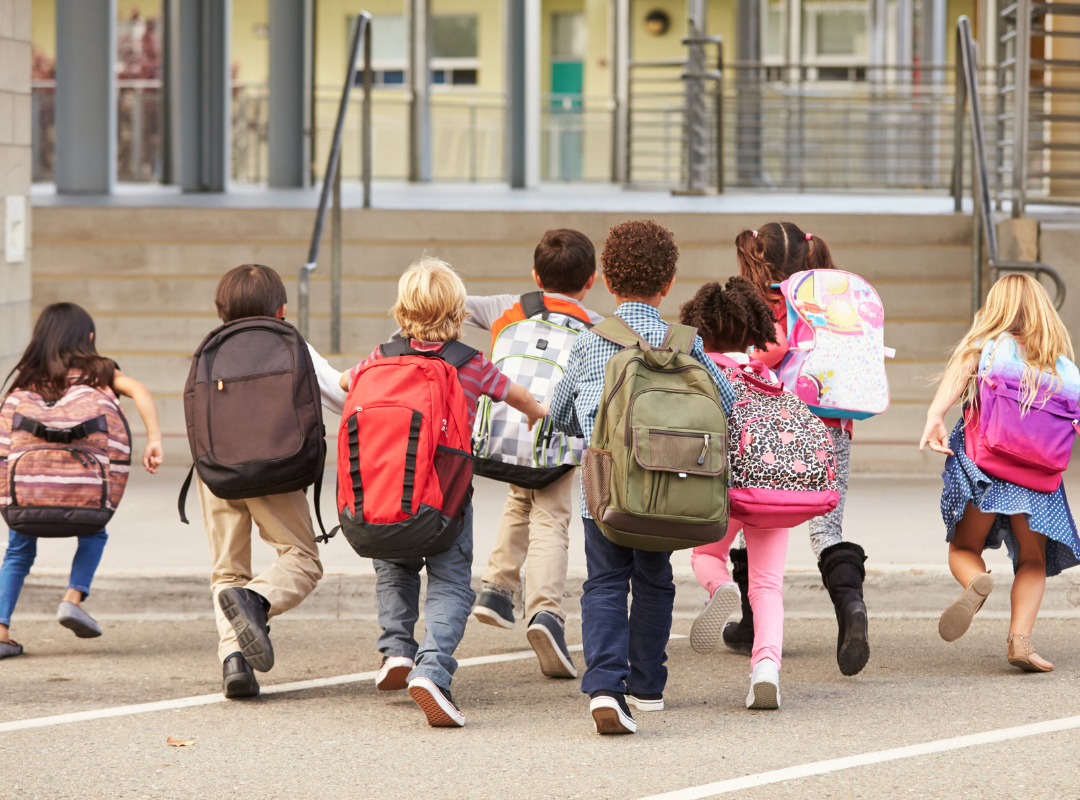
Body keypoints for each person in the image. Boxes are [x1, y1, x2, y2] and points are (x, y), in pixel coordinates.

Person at [341, 256, 548, 728]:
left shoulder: (380, 357)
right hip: (445, 503)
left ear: (401, 310)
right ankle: (432, 669)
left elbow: (344, 382)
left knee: (394, 569)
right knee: (451, 581)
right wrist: (537, 410)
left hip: (386, 497)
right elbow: (514, 394)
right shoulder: (469, 364)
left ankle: (396, 649)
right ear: (457, 313)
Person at [550, 220, 736, 734]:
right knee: (654, 581)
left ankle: (606, 686)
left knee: (605, 582)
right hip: (669, 488)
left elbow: (562, 412)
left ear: (607, 280)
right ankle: (648, 685)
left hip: (605, 491)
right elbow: (729, 404)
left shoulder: (592, 343)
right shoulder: (686, 344)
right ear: (668, 282)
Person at [727, 222, 870, 677]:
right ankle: (851, 607)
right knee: (827, 529)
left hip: (775, 426)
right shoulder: (830, 304)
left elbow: (757, 357)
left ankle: (753, 622)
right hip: (831, 427)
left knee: (757, 515)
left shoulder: (759, 308)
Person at [197, 264, 346, 699]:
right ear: (281, 308)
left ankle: (234, 662)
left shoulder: (212, 348)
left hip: (216, 471)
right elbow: (341, 397)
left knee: (227, 571)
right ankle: (257, 601)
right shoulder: (289, 343)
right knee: (301, 558)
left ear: (221, 309)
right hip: (275, 470)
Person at [920, 273, 1080, 672]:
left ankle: (976, 581)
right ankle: (1020, 642)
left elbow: (958, 375)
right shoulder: (1061, 366)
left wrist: (935, 415)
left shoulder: (985, 347)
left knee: (964, 549)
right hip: (1039, 481)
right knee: (1032, 559)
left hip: (985, 469)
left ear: (996, 308)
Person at [468, 228, 603, 679]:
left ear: (534, 274)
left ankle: (496, 588)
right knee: (551, 519)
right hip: (555, 435)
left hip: (504, 432)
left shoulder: (507, 307)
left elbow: (452, 303)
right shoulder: (596, 326)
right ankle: (545, 613)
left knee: (518, 496)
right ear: (591, 281)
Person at [0, 303, 163, 659]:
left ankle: (0, 630)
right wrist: (154, 439)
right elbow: (139, 390)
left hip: (30, 491)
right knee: (94, 532)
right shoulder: (99, 372)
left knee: (18, 551)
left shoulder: (27, 378)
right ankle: (73, 598)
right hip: (83, 491)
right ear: (88, 337)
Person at [679, 277, 791, 709]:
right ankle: (766, 668)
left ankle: (720, 586)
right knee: (767, 585)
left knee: (706, 555)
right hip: (768, 490)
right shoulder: (766, 374)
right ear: (752, 331)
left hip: (718, 490)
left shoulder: (701, 369)